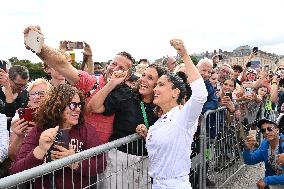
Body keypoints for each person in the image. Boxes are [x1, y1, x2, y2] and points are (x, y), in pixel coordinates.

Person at [23, 26, 114, 144]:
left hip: (68, 140)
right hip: (44, 139)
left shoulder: (73, 90)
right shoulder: (41, 89)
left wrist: (89, 58)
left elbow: (89, 80)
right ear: (47, 68)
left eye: (69, 64)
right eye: (54, 66)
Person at [136, 39, 207, 189]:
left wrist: (184, 54)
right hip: (156, 184)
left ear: (175, 92)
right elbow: (167, 143)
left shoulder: (183, 115)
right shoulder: (159, 122)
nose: (155, 89)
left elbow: (200, 94)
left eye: (161, 85)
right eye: (156, 85)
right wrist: (147, 133)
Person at [88, 60, 167, 188]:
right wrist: (112, 84)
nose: (143, 80)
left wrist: (149, 133)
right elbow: (93, 107)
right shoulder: (126, 94)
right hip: (119, 162)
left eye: (150, 78)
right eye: (143, 75)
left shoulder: (162, 105)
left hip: (148, 163)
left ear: (158, 85)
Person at [10, 84, 105, 189]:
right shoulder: (39, 131)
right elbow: (16, 171)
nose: (78, 109)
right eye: (73, 105)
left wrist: (76, 161)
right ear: (57, 106)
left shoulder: (87, 130)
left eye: (79, 104)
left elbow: (101, 164)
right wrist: (40, 150)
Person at [8, 78, 52, 161]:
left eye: (42, 94)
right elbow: (12, 156)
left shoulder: (55, 117)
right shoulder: (19, 117)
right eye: (33, 94)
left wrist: (38, 131)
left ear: (50, 97)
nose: (37, 97)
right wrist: (19, 136)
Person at [243, 118, 284, 188]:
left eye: (270, 129)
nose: (267, 132)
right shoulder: (265, 145)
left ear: (277, 130)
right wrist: (247, 149)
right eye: (263, 130)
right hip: (276, 182)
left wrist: (267, 180)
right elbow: (250, 160)